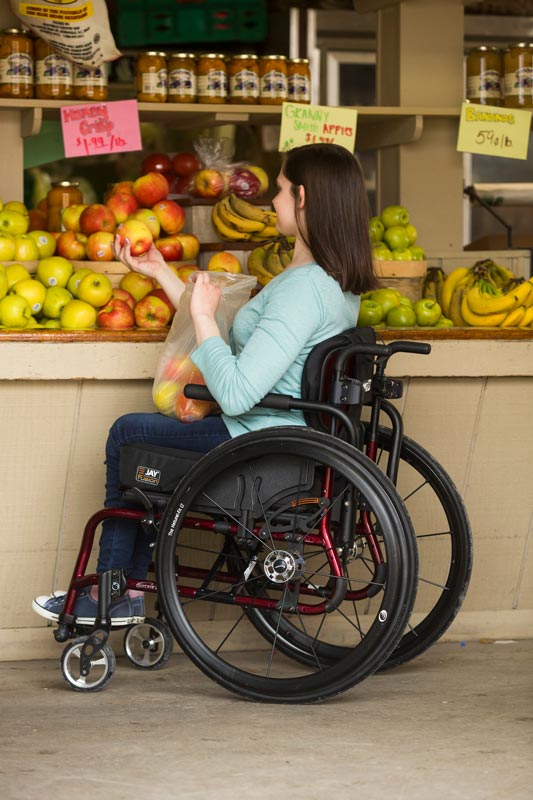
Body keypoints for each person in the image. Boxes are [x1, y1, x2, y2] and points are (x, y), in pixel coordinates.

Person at [33, 142, 379, 626]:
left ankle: (114, 591)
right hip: (286, 439)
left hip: (262, 447)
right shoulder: (328, 282)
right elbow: (239, 341)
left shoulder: (303, 290)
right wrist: (161, 274)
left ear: (302, 198)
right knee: (148, 442)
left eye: (279, 190)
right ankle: (127, 593)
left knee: (129, 434)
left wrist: (202, 316)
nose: (271, 201)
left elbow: (237, 393)